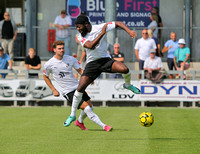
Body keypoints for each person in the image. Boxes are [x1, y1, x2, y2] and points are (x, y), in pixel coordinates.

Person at [64, 15, 141, 127]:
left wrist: (129, 31)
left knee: (125, 69)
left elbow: (118, 23)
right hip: (92, 64)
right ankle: (72, 115)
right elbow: (90, 46)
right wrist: (102, 34)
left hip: (105, 60)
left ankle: (127, 85)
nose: (78, 29)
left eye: (79, 26)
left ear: (86, 24)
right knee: (80, 88)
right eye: (76, 27)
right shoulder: (80, 36)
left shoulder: (99, 27)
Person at [43, 40, 112, 131]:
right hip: (68, 91)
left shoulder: (70, 59)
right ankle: (104, 126)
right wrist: (53, 89)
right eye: (59, 49)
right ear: (54, 50)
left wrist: (88, 78)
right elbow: (45, 76)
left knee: (91, 107)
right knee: (87, 108)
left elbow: (80, 70)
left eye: (63, 48)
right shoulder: (49, 64)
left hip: (78, 88)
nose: (62, 50)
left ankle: (79, 121)